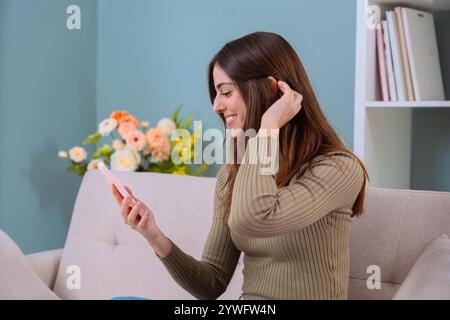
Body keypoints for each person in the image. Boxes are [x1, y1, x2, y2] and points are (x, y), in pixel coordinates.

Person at [111, 31, 369, 300]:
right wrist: (153, 235)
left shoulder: (338, 169)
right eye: (216, 94)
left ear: (271, 89)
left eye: (226, 92)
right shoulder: (234, 173)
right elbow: (211, 282)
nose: (216, 106)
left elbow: (254, 218)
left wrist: (268, 129)